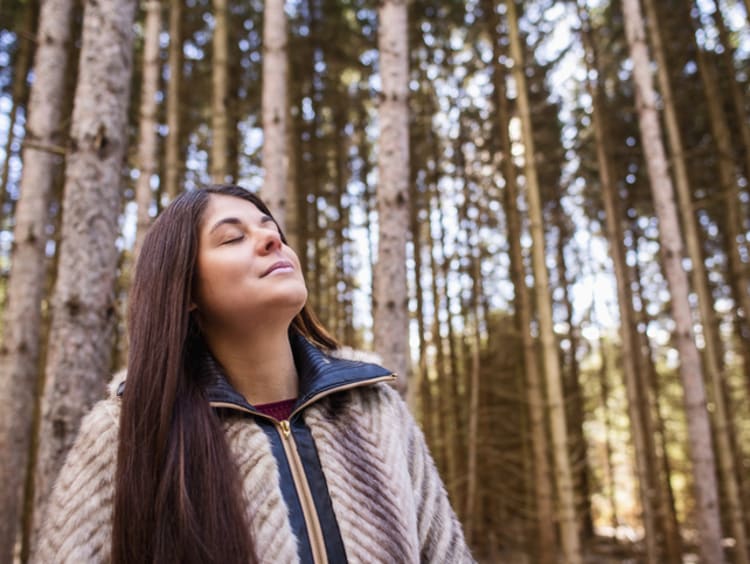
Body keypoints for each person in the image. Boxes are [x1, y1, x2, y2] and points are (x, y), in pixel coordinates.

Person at [35, 184, 473, 564]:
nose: (270, 240)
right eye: (232, 238)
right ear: (184, 290)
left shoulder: (372, 406)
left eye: (272, 229)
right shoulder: (127, 429)